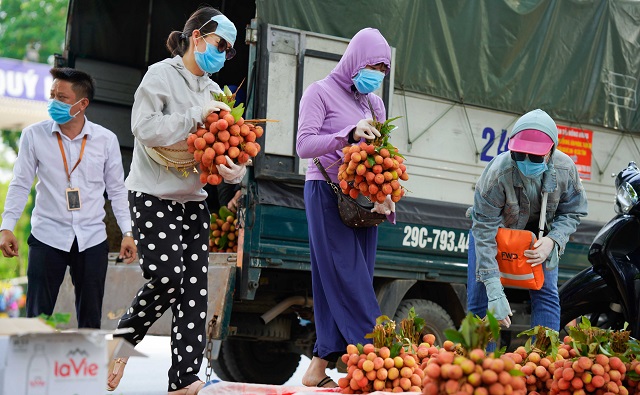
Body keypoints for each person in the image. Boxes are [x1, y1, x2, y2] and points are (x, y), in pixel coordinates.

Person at [106, 6, 246, 395]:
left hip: (192, 201)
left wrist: (233, 169)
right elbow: (144, 127)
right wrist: (194, 116)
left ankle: (184, 380)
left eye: (230, 50)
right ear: (197, 37)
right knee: (167, 279)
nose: (224, 54)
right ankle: (123, 340)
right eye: (222, 45)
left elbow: (220, 151)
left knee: (194, 293)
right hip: (152, 195)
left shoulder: (218, 91)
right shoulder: (160, 76)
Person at [296, 27, 395, 388]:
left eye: (384, 70)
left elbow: (380, 156)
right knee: (348, 277)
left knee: (340, 279)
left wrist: (386, 194)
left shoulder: (374, 104)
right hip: (325, 191)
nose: (378, 75)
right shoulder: (319, 92)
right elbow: (304, 144)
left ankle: (319, 365)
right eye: (373, 66)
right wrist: (347, 134)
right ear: (354, 59)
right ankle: (375, 358)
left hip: (362, 200)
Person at [0, 67, 137, 328]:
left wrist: (127, 232)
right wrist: (6, 227)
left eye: (61, 97)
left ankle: (87, 370)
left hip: (92, 239)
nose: (54, 102)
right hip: (47, 236)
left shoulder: (105, 140)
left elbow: (117, 190)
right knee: (37, 318)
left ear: (82, 104)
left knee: (90, 320)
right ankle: (36, 367)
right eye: (52, 95)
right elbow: (20, 184)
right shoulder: (33, 135)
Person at [467, 109, 588, 334]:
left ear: (551, 151)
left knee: (547, 297)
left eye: (535, 156)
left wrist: (553, 241)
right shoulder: (496, 174)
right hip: (493, 235)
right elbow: (483, 230)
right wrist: (494, 289)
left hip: (539, 241)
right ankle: (481, 364)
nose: (526, 161)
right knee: (480, 301)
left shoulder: (565, 169)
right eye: (519, 155)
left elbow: (573, 211)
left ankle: (541, 360)